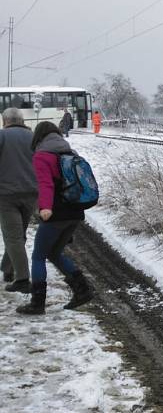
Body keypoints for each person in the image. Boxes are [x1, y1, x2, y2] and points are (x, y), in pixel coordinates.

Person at [17, 122, 95, 314]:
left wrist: (45, 208)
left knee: (38, 256)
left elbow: (45, 184)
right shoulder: (70, 152)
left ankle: (37, 303)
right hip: (75, 212)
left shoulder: (42, 156)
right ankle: (82, 290)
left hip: (56, 214)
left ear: (39, 137)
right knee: (54, 253)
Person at [0, 108, 38, 293]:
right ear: (22, 120)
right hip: (31, 193)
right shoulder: (33, 137)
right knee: (18, 234)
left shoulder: (2, 136)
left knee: (13, 236)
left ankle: (22, 279)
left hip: (6, 195)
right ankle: (8, 269)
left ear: (4, 120)